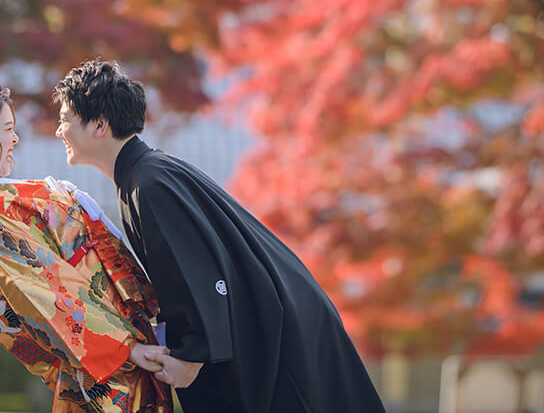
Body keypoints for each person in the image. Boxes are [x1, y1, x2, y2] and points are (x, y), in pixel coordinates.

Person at [53, 60, 387, 413]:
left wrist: (192, 357)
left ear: (100, 125)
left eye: (65, 120)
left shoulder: (149, 183)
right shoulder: (150, 174)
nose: (60, 131)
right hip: (280, 322)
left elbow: (196, 272)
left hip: (276, 341)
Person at [0, 76, 173, 413]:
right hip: (112, 370)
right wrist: (126, 348)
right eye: (7, 128)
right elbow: (44, 294)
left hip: (103, 366)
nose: (15, 138)